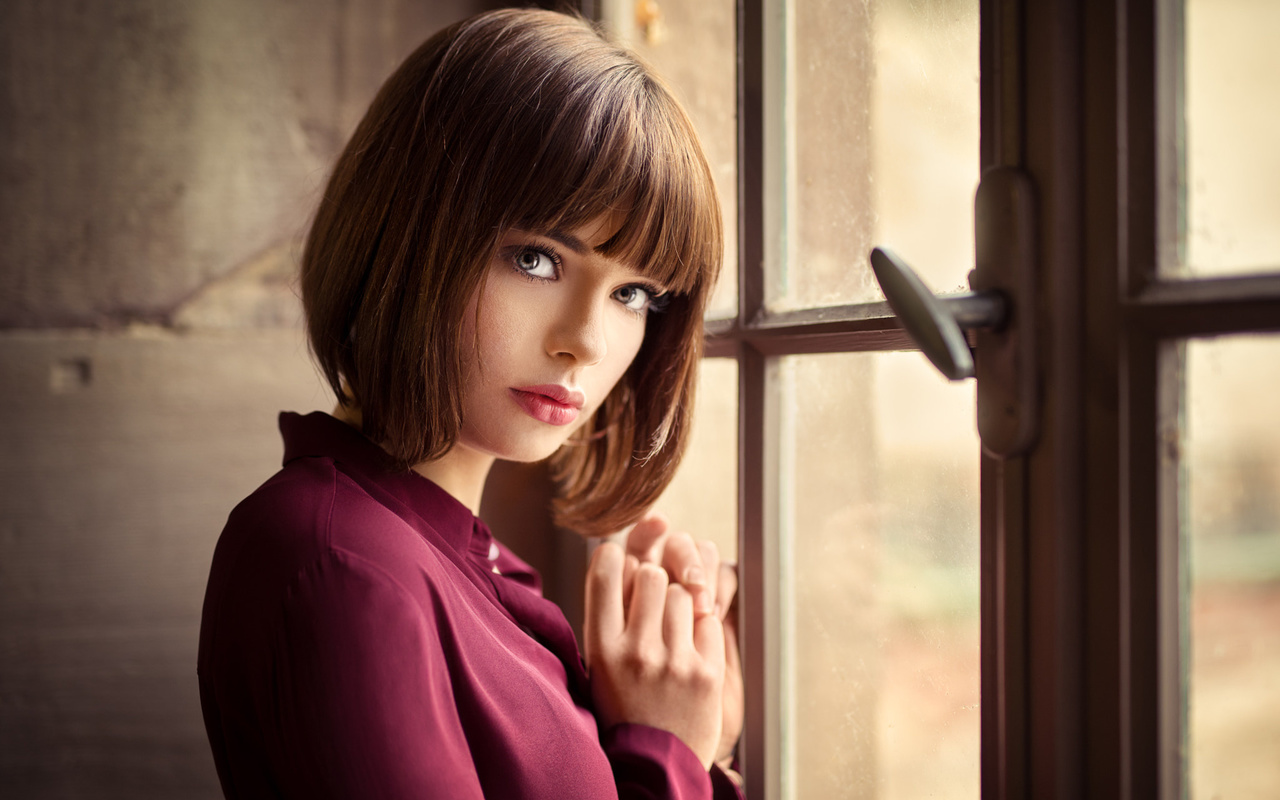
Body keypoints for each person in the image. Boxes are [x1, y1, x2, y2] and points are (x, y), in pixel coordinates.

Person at [197, 8, 743, 799]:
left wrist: (681, 726)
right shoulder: (344, 565)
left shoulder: (462, 562)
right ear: (406, 234)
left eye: (632, 292)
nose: (586, 342)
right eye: (536, 259)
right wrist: (664, 756)